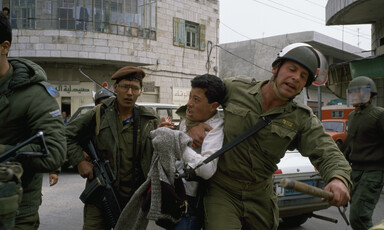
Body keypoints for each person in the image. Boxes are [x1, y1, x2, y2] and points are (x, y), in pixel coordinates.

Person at [189, 43, 352, 230]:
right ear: (275, 68)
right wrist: (192, 125)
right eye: (292, 69)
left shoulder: (301, 118)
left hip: (261, 195)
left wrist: (338, 178)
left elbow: (327, 151)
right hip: (223, 190)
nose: (296, 78)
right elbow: (199, 97)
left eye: (303, 76)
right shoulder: (235, 89)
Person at [66, 66, 160, 230]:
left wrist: (165, 134)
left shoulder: (149, 119)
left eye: (135, 88)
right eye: (124, 87)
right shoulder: (98, 114)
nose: (129, 93)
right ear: (115, 88)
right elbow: (65, 135)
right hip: (99, 193)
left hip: (135, 198)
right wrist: (79, 161)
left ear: (140, 91)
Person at [0, 12, 66, 229]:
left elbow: (55, 153)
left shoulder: (35, 94)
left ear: (4, 47)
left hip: (14, 212)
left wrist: (3, 151)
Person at [167, 74, 226, 230]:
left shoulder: (216, 129)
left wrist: (178, 143)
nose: (189, 104)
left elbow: (207, 170)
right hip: (175, 194)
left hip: (192, 202)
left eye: (196, 100)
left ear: (213, 106)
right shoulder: (188, 120)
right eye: (189, 97)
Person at [343, 76, 384, 230]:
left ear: (370, 94)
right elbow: (350, 145)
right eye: (351, 93)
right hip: (355, 171)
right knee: (357, 216)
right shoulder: (353, 116)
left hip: (374, 172)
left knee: (359, 216)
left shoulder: (379, 114)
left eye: (357, 92)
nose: (353, 96)